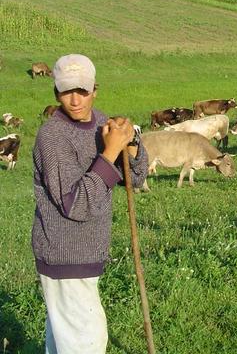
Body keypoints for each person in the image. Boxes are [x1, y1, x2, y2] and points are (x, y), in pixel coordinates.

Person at [31, 54, 149, 353]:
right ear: (56, 92)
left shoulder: (100, 123)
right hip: (65, 255)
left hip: (87, 251)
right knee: (86, 343)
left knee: (65, 340)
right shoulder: (53, 137)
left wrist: (131, 144)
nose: (74, 100)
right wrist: (109, 152)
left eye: (82, 90)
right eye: (66, 91)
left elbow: (132, 180)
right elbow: (76, 204)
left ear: (95, 89)